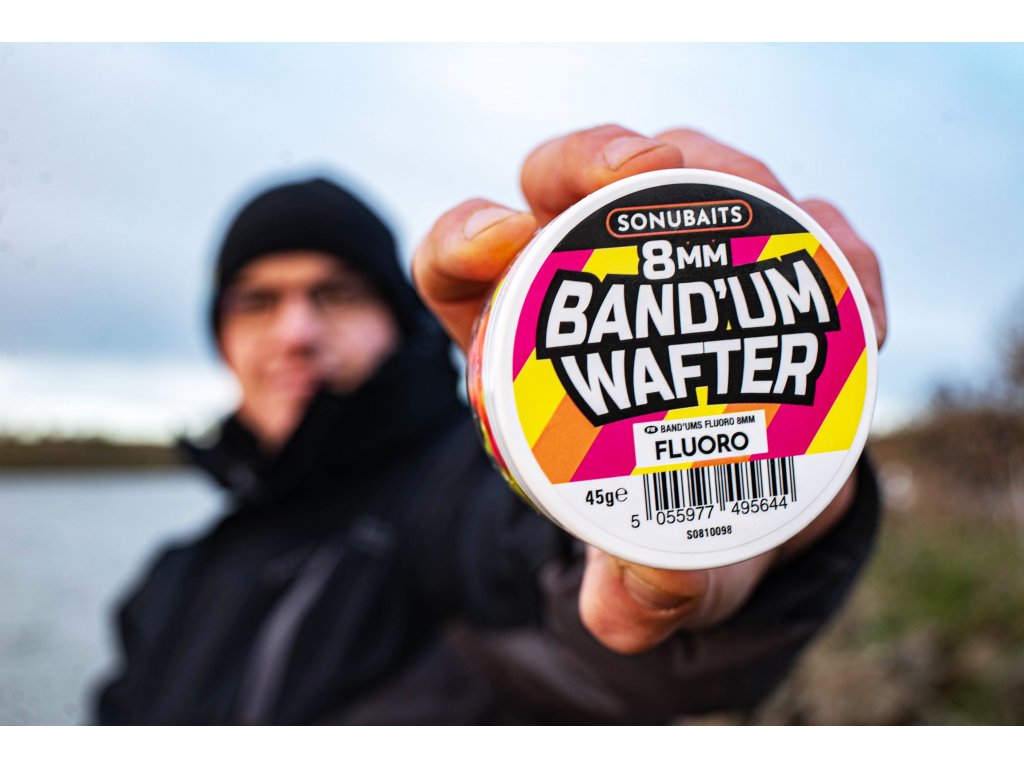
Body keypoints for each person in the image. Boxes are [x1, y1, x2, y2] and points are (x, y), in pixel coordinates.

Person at [96, 125, 885, 725]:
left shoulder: (462, 490)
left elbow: (582, 613)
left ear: (400, 320)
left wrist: (753, 537)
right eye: (258, 302)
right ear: (223, 340)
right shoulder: (168, 587)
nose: (296, 331)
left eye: (337, 293)